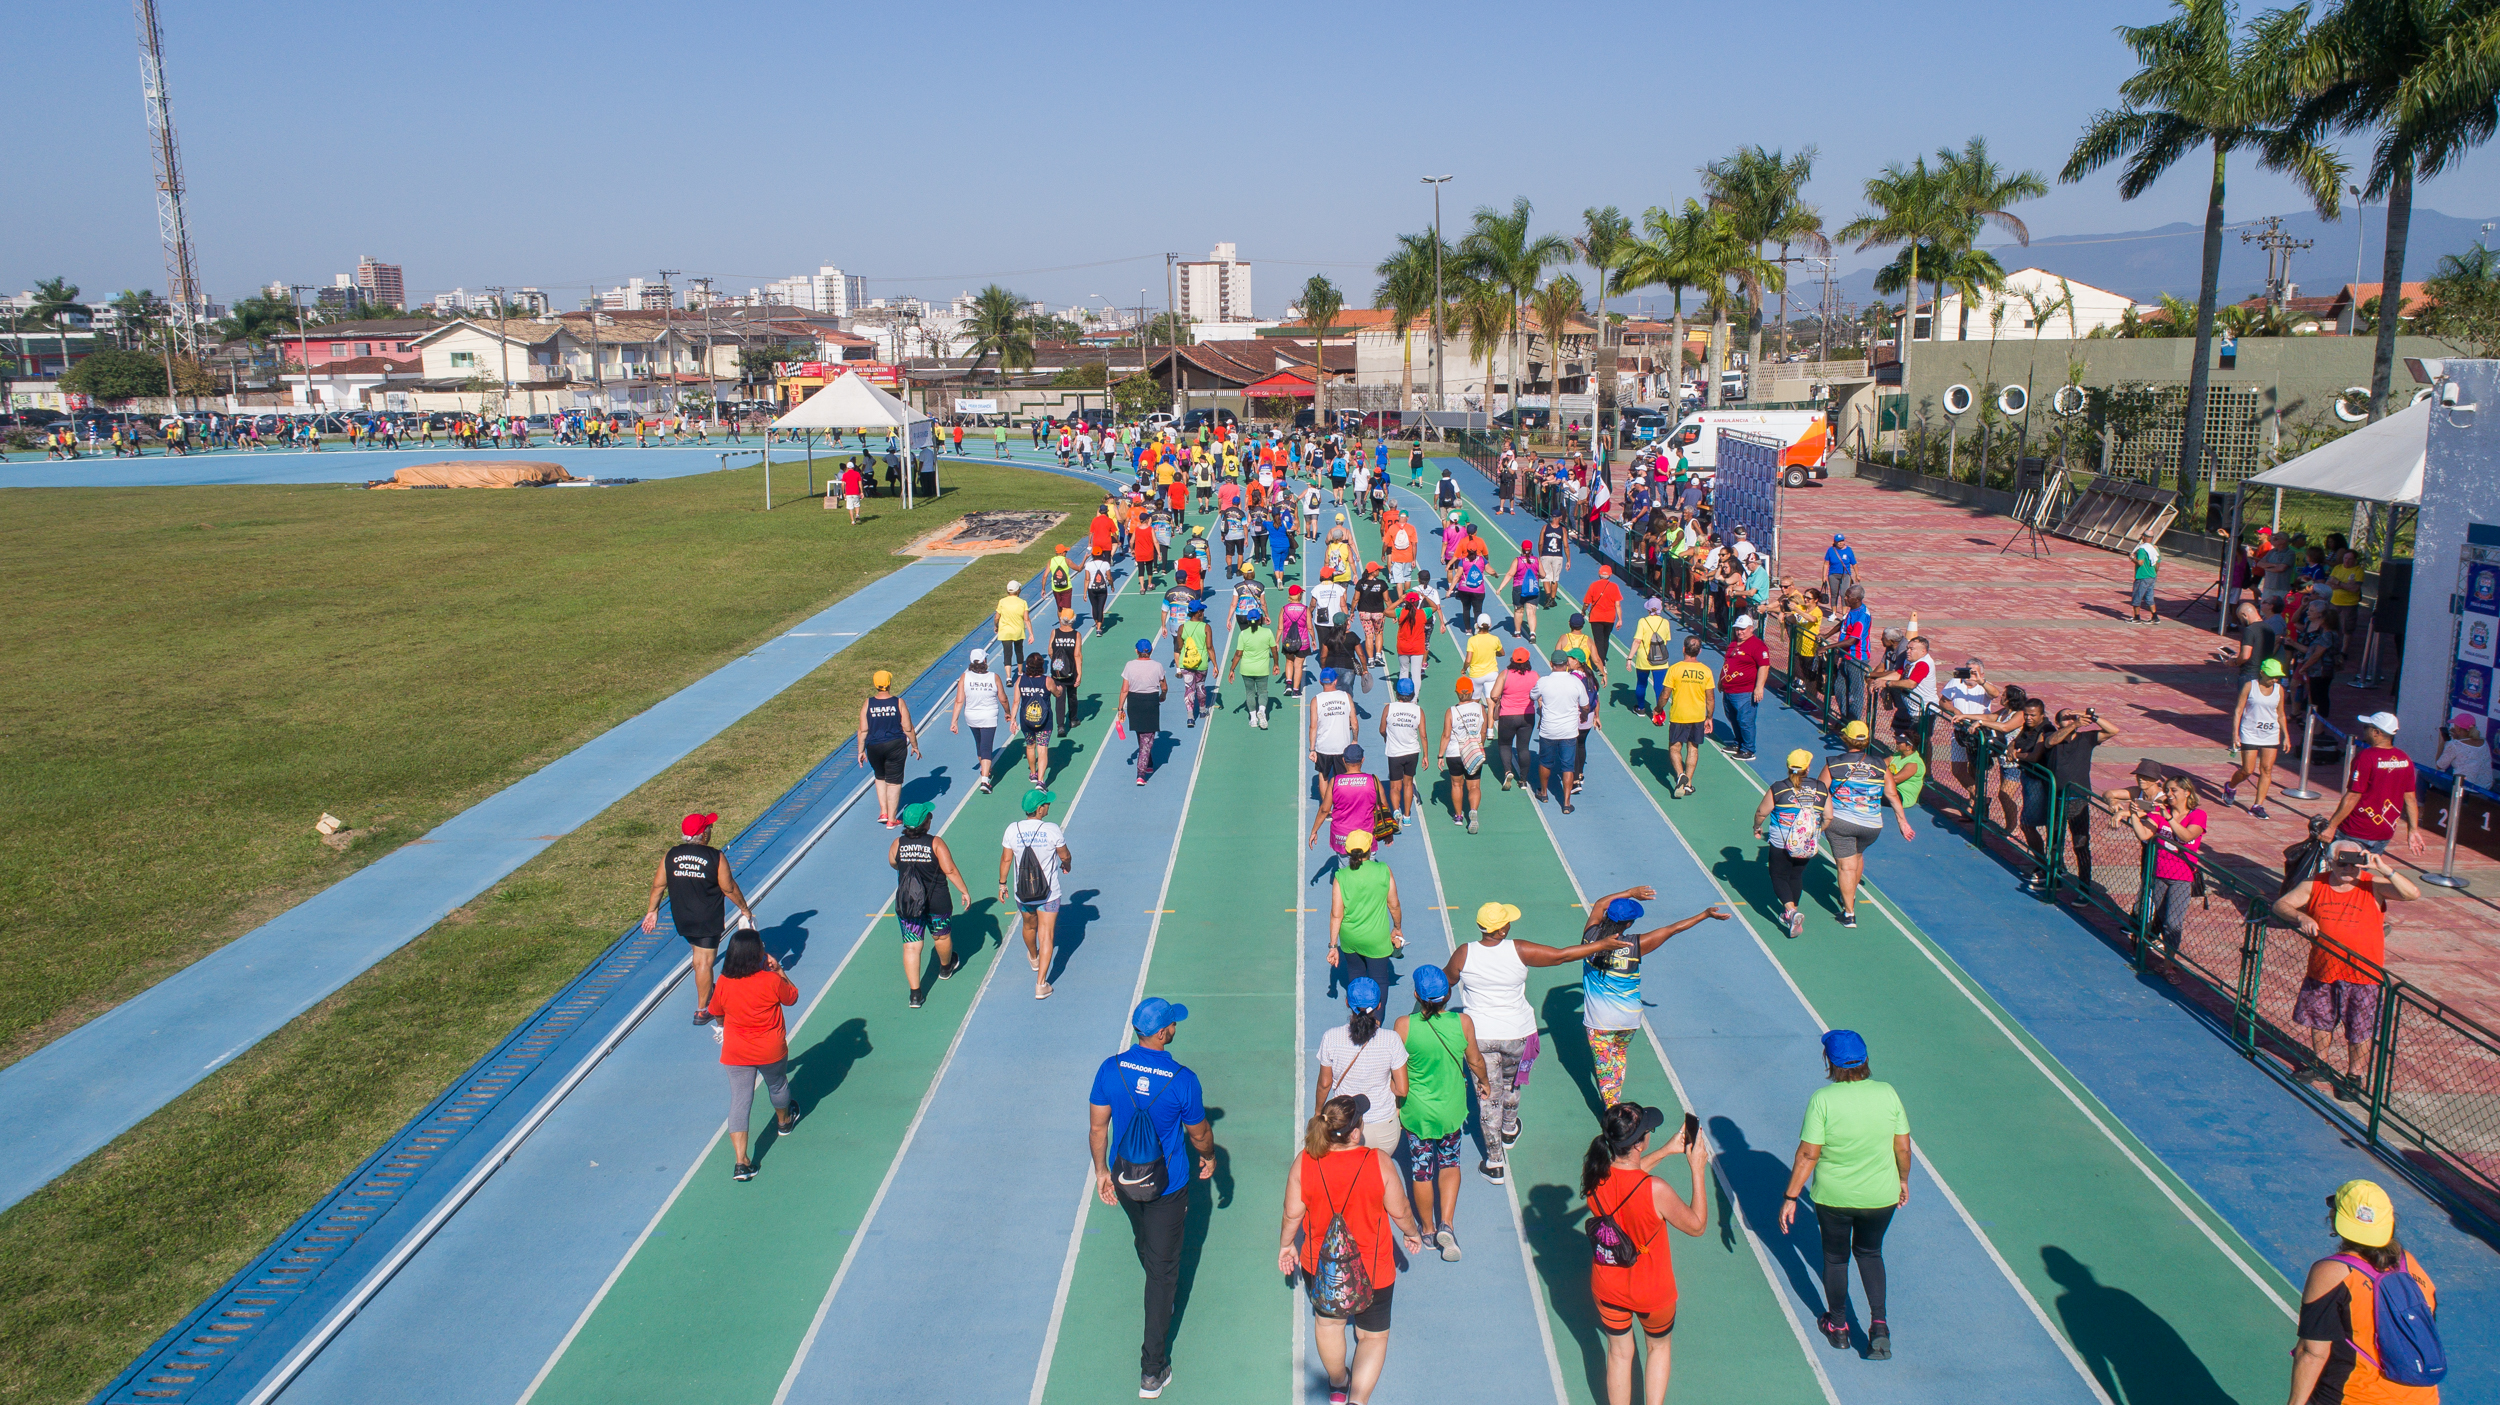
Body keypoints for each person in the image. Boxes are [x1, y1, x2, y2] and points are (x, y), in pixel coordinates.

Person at [1091, 997, 1217, 1400]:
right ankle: (1152, 1368)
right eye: (1172, 1024)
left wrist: (1101, 1172)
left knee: (1145, 1242)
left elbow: (1098, 1129)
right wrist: (1210, 1157)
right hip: (1168, 1185)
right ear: (1163, 1033)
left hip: (1126, 1179)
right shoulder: (1183, 1079)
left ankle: (1157, 1284)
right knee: (1163, 1274)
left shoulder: (1110, 1069)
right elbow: (1198, 1133)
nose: (1175, 1028)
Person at [1281, 1093, 1428, 1405]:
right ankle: (1358, 1400)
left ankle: (1338, 1385)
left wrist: (1286, 1246)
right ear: (1357, 1132)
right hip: (1373, 1269)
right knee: (1372, 1336)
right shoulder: (1378, 1162)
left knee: (1328, 1324)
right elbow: (1400, 1211)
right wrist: (1412, 1234)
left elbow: (1292, 1213)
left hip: (1320, 1266)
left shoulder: (1305, 1160)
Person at [1777, 1029, 1911, 1360]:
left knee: (1836, 1258)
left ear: (1829, 1062)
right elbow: (1903, 1147)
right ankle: (1879, 1326)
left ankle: (1838, 1327)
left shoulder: (1823, 1100)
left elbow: (1808, 1154)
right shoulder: (1888, 1093)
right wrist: (1903, 1180)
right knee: (1870, 1253)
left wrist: (1791, 1196)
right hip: (1881, 1196)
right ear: (1865, 1059)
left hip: (1834, 1198)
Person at [1584, 1102, 1711, 1405]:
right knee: (1658, 1348)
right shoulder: (1656, 1190)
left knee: (1618, 1354)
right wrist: (1697, 1169)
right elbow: (1697, 1226)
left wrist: (1667, 1150)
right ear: (1639, 1143)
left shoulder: (1593, 1174)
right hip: (1652, 1292)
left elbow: (1629, 1174)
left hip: (1607, 1285)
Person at [2274, 841, 2419, 1092]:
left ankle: (2354, 1076)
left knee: (2359, 1028)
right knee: (2320, 1020)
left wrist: (2384, 868)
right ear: (2330, 862)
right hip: (2323, 968)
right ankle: (2319, 1063)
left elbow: (2411, 894)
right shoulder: (2314, 884)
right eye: (2342, 863)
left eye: (2354, 863)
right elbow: (2280, 904)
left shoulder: (2372, 884)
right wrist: (2301, 916)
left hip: (2363, 975)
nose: (2348, 869)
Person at [2288, 1180, 2442, 1405]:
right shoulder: (2410, 1264)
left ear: (2335, 1218)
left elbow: (2312, 1352)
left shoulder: (2332, 1272)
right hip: (2422, 1398)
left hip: (2353, 1397)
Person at [1581, 894, 1732, 1107]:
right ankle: (1614, 1100)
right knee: (1619, 1056)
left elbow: (1599, 904)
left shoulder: (1589, 937)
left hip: (1599, 1022)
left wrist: (1631, 892)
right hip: (1629, 1020)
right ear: (1629, 923)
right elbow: (1673, 929)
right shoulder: (1635, 945)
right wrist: (1705, 915)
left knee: (1606, 1070)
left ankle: (1613, 1114)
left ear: (1607, 916)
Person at [1396, 966, 1490, 1262]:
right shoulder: (1463, 1022)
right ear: (1448, 995)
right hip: (1451, 1109)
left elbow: (1394, 1067)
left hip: (1417, 1112)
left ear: (1416, 996)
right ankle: (1446, 1223)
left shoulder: (1404, 1026)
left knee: (1422, 1171)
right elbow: (1474, 1060)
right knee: (1449, 1164)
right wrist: (1485, 1082)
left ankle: (1427, 1229)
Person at [642, 812, 758, 1025]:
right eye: (709, 828)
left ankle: (707, 990)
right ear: (703, 834)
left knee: (698, 956)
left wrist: (653, 911)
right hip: (707, 919)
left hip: (682, 918)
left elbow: (659, 884)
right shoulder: (715, 857)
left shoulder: (671, 854)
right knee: (704, 962)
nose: (711, 831)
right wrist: (744, 909)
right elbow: (728, 887)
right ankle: (702, 1010)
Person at [704, 930, 801, 1182]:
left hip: (736, 1051)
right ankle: (784, 1122)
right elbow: (792, 997)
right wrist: (779, 970)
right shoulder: (769, 980)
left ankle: (741, 1162)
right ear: (756, 953)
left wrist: (723, 1024)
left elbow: (715, 1010)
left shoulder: (724, 982)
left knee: (739, 1100)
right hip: (769, 1048)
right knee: (777, 1084)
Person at [1819, 721, 1916, 927]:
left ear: (1846, 739)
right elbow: (1891, 794)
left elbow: (1820, 792)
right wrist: (1903, 822)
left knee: (1846, 866)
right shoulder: (1880, 764)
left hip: (1841, 822)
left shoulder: (1834, 763)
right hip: (1872, 825)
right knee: (1857, 855)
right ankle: (1850, 895)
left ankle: (1849, 913)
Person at [1316, 976, 1410, 1152]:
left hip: (1345, 1126)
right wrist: (1390, 1082)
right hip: (1384, 1129)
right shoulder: (1391, 1040)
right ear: (1378, 1006)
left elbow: (1325, 1084)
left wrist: (1317, 1112)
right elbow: (1402, 1089)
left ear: (1347, 1003)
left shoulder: (1331, 1037)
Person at [889, 802, 968, 1008]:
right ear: (925, 823)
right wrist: (964, 890)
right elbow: (949, 870)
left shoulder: (898, 843)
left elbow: (893, 862)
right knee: (941, 936)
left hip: (909, 902)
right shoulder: (936, 843)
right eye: (929, 816)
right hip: (937, 900)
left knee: (912, 946)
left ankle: (915, 994)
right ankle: (945, 967)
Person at [2122, 775, 2208, 963]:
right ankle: (2143, 949)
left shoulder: (2197, 815)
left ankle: (2169, 963)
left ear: (2187, 792)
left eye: (2173, 790)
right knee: (2157, 917)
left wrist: (2168, 818)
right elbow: (2144, 834)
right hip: (2159, 873)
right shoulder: (2160, 813)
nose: (2168, 794)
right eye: (2167, 790)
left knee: (2173, 924)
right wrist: (2134, 815)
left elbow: (2185, 837)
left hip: (2182, 877)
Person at [1001, 788, 1072, 1000]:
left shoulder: (1012, 830)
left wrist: (1002, 884)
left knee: (1029, 925)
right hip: (1048, 894)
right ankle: (1041, 984)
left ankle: (1033, 957)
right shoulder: (1051, 830)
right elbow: (1065, 855)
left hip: (1023, 892)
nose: (1049, 806)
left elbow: (1006, 860)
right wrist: (1066, 864)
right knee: (1047, 935)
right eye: (1046, 804)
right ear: (1040, 809)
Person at [2325, 712, 2426, 857]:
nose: (2364, 730)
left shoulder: (2366, 757)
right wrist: (2413, 830)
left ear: (2376, 732)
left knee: (2340, 872)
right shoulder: (2405, 759)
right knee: (2362, 874)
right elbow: (2410, 799)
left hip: (2356, 829)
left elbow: (2353, 796)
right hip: (2384, 832)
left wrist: (2331, 827)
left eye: (2367, 727)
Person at [1755, 750, 1831, 939]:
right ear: (1807, 768)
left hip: (1781, 842)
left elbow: (1761, 812)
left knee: (1778, 875)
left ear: (1788, 767)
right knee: (1796, 876)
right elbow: (1828, 816)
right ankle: (1792, 914)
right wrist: (1816, 832)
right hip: (1806, 843)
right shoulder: (1821, 787)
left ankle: (1791, 911)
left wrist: (1757, 827)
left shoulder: (1779, 787)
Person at [857, 670, 922, 829]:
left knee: (880, 777)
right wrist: (915, 745)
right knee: (894, 782)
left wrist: (860, 750)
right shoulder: (898, 702)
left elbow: (863, 730)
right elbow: (907, 727)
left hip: (874, 746)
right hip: (895, 745)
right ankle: (892, 819)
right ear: (889, 684)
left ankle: (884, 812)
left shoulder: (868, 703)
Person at [1533, 648, 1594, 810]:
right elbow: (1586, 705)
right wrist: (1583, 715)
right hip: (1569, 731)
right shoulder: (1576, 682)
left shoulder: (1544, 681)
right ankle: (1566, 803)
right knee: (1568, 766)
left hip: (1548, 729)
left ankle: (1544, 793)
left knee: (1545, 762)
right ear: (1567, 664)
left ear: (1551, 663)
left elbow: (1532, 696)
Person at [948, 647, 1007, 795]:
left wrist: (954, 721)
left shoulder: (964, 677)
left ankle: (984, 768)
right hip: (989, 716)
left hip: (971, 717)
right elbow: (1003, 698)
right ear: (985, 661)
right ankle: (985, 779)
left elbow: (959, 700)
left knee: (980, 744)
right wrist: (1008, 712)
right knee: (987, 747)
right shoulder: (994, 677)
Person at [1663, 638, 1716, 798]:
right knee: (1693, 748)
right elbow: (1711, 698)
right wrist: (1709, 717)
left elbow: (1666, 694)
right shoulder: (1706, 671)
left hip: (1679, 715)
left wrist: (1658, 709)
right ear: (1699, 651)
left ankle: (1680, 775)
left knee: (1674, 747)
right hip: (1698, 717)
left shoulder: (1675, 669)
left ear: (1683, 649)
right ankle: (1689, 783)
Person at [1439, 675, 1490, 833]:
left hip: (1454, 753)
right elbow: (1483, 731)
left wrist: (1440, 755)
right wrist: (1477, 744)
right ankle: (1473, 811)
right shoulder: (1480, 708)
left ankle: (1458, 816)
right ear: (1472, 692)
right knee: (1474, 785)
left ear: (1457, 692)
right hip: (1473, 752)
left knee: (1456, 784)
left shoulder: (1451, 711)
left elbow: (1446, 735)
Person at [1719, 614, 1771, 761]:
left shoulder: (1757, 646)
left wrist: (1759, 687)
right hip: (1729, 690)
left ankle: (1748, 749)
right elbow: (1727, 662)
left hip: (1744, 691)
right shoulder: (1734, 643)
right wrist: (1721, 680)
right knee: (1733, 717)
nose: (1740, 632)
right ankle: (1739, 743)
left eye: (1743, 629)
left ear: (1751, 629)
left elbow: (1764, 666)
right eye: (1737, 629)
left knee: (1745, 720)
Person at [1120, 639, 1169, 785]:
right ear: (1151, 651)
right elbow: (1164, 686)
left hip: (1134, 702)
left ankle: (1148, 762)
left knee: (1141, 733)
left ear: (1136, 651)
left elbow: (1124, 689)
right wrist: (1163, 695)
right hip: (1150, 702)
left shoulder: (1129, 665)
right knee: (1147, 736)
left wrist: (1120, 707)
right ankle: (1141, 774)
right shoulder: (1157, 666)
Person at [1227, 604, 1280, 729]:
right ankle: (1262, 710)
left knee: (1250, 692)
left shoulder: (1243, 634)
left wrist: (1232, 669)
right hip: (1262, 669)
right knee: (1262, 692)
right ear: (1260, 619)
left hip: (1246, 669)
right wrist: (1276, 664)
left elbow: (1238, 654)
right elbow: (1274, 651)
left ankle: (1253, 718)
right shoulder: (1267, 632)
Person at [1380, 678, 1426, 819]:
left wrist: (1387, 738)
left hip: (1394, 752)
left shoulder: (1389, 708)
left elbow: (1382, 729)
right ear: (1412, 693)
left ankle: (1396, 811)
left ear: (1397, 692)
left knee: (1394, 786)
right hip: (1412, 752)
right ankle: (1407, 816)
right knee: (1408, 784)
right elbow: (1423, 736)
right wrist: (1426, 755)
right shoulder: (1418, 710)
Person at [1628, 598, 1675, 719]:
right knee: (1659, 686)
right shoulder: (1665, 622)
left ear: (1648, 609)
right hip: (1661, 660)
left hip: (1644, 659)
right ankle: (1659, 711)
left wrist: (1629, 658)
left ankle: (1641, 708)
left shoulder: (1643, 621)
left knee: (1642, 684)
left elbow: (1637, 641)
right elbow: (1666, 640)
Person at [1309, 668, 1357, 777]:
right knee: (1342, 777)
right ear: (1335, 681)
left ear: (1320, 682)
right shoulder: (1346, 697)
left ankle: (1325, 795)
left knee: (1323, 776)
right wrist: (1354, 740)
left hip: (1323, 747)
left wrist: (1312, 749)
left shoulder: (1316, 700)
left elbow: (1313, 726)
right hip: (1342, 746)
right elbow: (1354, 721)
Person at [2436, 714, 2492, 791]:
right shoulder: (2484, 742)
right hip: (2484, 787)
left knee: (2422, 774)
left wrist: (2442, 743)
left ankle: (2419, 802)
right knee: (2450, 770)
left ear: (2458, 728)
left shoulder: (2454, 745)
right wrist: (2457, 738)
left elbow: (2439, 766)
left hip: (2462, 787)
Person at [994, 579, 1032, 669]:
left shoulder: (1002, 601)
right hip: (1018, 632)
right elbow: (1026, 619)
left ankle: (1008, 678)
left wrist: (996, 626)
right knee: (1019, 651)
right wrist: (1031, 634)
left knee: (1007, 654)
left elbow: (996, 617)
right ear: (1018, 590)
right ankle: (1020, 672)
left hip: (1005, 632)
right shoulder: (1023, 602)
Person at [2128, 534, 2161, 623]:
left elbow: (2140, 562)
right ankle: (2155, 617)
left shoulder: (2142, 549)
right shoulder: (2155, 548)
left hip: (2142, 576)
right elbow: (2158, 562)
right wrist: (2155, 572)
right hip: (2152, 576)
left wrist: (2132, 558)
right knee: (2149, 597)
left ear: (2143, 537)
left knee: (2137, 597)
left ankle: (2136, 618)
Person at [1823, 533, 1856, 604]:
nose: (1841, 543)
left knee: (1844, 594)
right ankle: (1833, 612)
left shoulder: (1849, 550)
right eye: (1838, 541)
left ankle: (1844, 612)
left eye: (1842, 541)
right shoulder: (1830, 550)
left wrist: (1857, 574)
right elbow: (1826, 563)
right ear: (1835, 542)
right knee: (1834, 594)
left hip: (1845, 575)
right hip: (1833, 574)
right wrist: (1824, 576)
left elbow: (1854, 563)